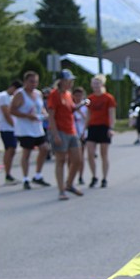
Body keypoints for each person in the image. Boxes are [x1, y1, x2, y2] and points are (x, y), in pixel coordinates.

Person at [46, 70, 84, 199]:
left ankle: (69, 184)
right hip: (60, 130)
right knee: (61, 160)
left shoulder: (68, 94)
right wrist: (55, 134)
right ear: (61, 81)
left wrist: (81, 105)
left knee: (77, 160)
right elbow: (51, 116)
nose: (71, 83)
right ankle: (61, 190)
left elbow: (71, 109)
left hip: (71, 130)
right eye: (69, 81)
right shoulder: (54, 95)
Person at [10, 71, 51, 189]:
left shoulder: (38, 94)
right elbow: (12, 110)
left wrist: (44, 114)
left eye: (36, 82)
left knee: (44, 149)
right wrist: (27, 116)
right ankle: (26, 178)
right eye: (31, 81)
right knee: (27, 152)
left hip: (37, 127)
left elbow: (41, 108)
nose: (34, 84)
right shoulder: (20, 94)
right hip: (25, 128)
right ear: (25, 82)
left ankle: (38, 175)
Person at [84, 75, 116, 188]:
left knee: (104, 154)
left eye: (98, 84)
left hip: (104, 127)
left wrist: (111, 128)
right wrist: (84, 129)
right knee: (90, 154)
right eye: (94, 84)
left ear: (102, 85)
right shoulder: (90, 98)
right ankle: (94, 176)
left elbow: (112, 113)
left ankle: (104, 178)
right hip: (93, 127)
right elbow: (88, 113)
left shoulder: (108, 98)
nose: (96, 86)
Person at [0, 79, 21, 183]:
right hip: (6, 128)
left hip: (11, 128)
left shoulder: (10, 97)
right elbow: (6, 114)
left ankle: (9, 173)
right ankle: (7, 174)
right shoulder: (3, 97)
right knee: (9, 149)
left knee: (12, 150)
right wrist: (15, 126)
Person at [71, 86, 88, 185]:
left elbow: (87, 119)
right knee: (71, 157)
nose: (78, 97)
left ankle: (80, 176)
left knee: (80, 157)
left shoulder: (85, 106)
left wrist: (80, 111)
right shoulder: (71, 105)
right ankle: (70, 176)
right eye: (76, 95)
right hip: (72, 133)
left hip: (82, 133)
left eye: (80, 96)